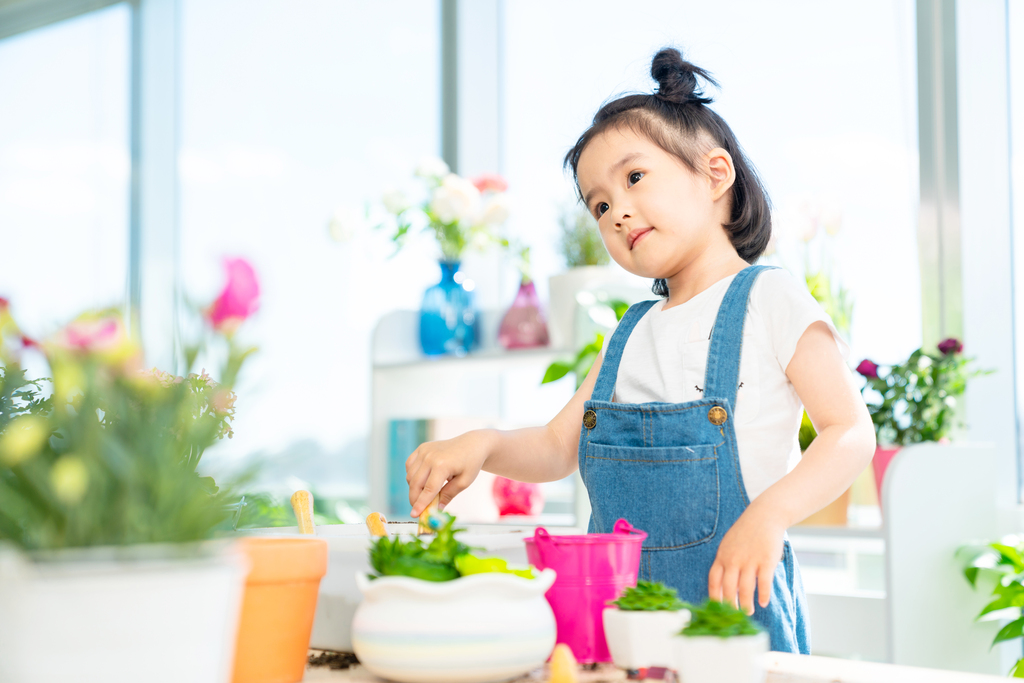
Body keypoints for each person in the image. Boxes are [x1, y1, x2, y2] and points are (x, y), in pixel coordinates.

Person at [405, 47, 875, 653]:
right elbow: (554, 449)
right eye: (599, 204)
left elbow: (848, 432)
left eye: (633, 178)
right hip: (620, 632)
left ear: (714, 174)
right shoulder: (629, 333)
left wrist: (770, 516)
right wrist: (485, 443)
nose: (617, 211)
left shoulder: (770, 297)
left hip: (735, 626)